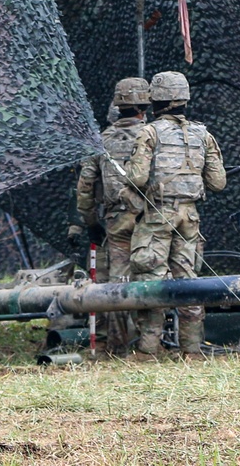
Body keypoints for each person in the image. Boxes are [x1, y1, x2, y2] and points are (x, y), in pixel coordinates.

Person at [126, 71, 226, 357]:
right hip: (189, 217)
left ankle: (148, 350)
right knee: (188, 280)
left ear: (155, 99)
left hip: (158, 216)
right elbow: (218, 183)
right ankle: (192, 350)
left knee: (150, 278)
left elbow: (137, 177)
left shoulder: (150, 133)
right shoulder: (203, 135)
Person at [73, 77, 152, 354]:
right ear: (145, 106)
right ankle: (151, 345)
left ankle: (118, 348)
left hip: (116, 221)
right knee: (154, 277)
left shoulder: (101, 141)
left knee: (117, 283)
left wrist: (91, 223)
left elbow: (85, 188)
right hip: (152, 219)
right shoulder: (154, 136)